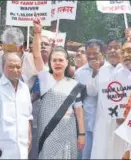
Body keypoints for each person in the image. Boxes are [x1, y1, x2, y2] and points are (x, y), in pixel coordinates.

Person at [33, 19, 86, 159]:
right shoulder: (45, 79)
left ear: (67, 62)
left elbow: (79, 112)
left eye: (61, 60)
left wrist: (81, 134)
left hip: (68, 134)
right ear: (50, 63)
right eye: (54, 60)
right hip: (48, 133)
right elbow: (37, 55)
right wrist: (37, 33)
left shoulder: (74, 84)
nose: (57, 63)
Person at [0, 52, 33, 159]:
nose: (15, 70)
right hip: (1, 150)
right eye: (11, 66)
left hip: (21, 150)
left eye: (18, 67)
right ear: (3, 67)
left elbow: (28, 116)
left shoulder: (25, 89)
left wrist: (29, 138)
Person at [88, 38, 127, 159]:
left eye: (116, 47)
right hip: (102, 121)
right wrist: (94, 72)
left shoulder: (129, 71)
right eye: (110, 48)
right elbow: (91, 92)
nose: (113, 51)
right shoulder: (102, 70)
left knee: (118, 152)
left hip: (121, 122)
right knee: (101, 151)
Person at [74, 39, 107, 159]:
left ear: (103, 53)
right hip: (87, 124)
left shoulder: (112, 70)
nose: (92, 57)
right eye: (89, 54)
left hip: (106, 124)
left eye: (95, 53)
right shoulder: (80, 73)